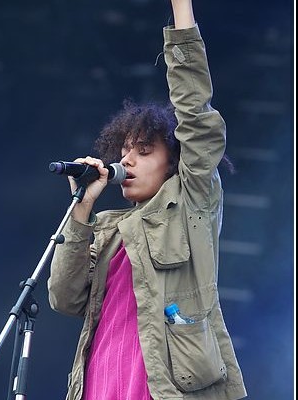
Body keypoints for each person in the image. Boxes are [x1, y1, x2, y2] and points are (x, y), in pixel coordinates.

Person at [47, 0, 247, 399]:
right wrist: (82, 209)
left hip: (162, 387)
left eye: (143, 150)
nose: (126, 159)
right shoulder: (108, 231)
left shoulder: (190, 202)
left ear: (174, 162)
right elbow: (64, 299)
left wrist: (182, 10)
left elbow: (196, 115)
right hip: (102, 383)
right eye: (124, 150)